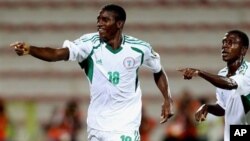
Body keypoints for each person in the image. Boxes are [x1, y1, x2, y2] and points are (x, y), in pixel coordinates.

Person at [10, 4, 174, 141]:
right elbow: (57, 54)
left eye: (105, 20)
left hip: (125, 126)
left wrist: (167, 98)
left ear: (119, 24)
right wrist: (30, 49)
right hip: (97, 126)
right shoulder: (89, 44)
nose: (99, 24)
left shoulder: (139, 48)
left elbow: (158, 70)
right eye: (98, 20)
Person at [178, 30, 250, 141]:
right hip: (233, 134)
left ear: (243, 50)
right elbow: (223, 108)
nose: (225, 46)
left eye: (231, 43)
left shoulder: (248, 71)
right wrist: (208, 107)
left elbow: (231, 83)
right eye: (224, 42)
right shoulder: (222, 74)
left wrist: (199, 72)